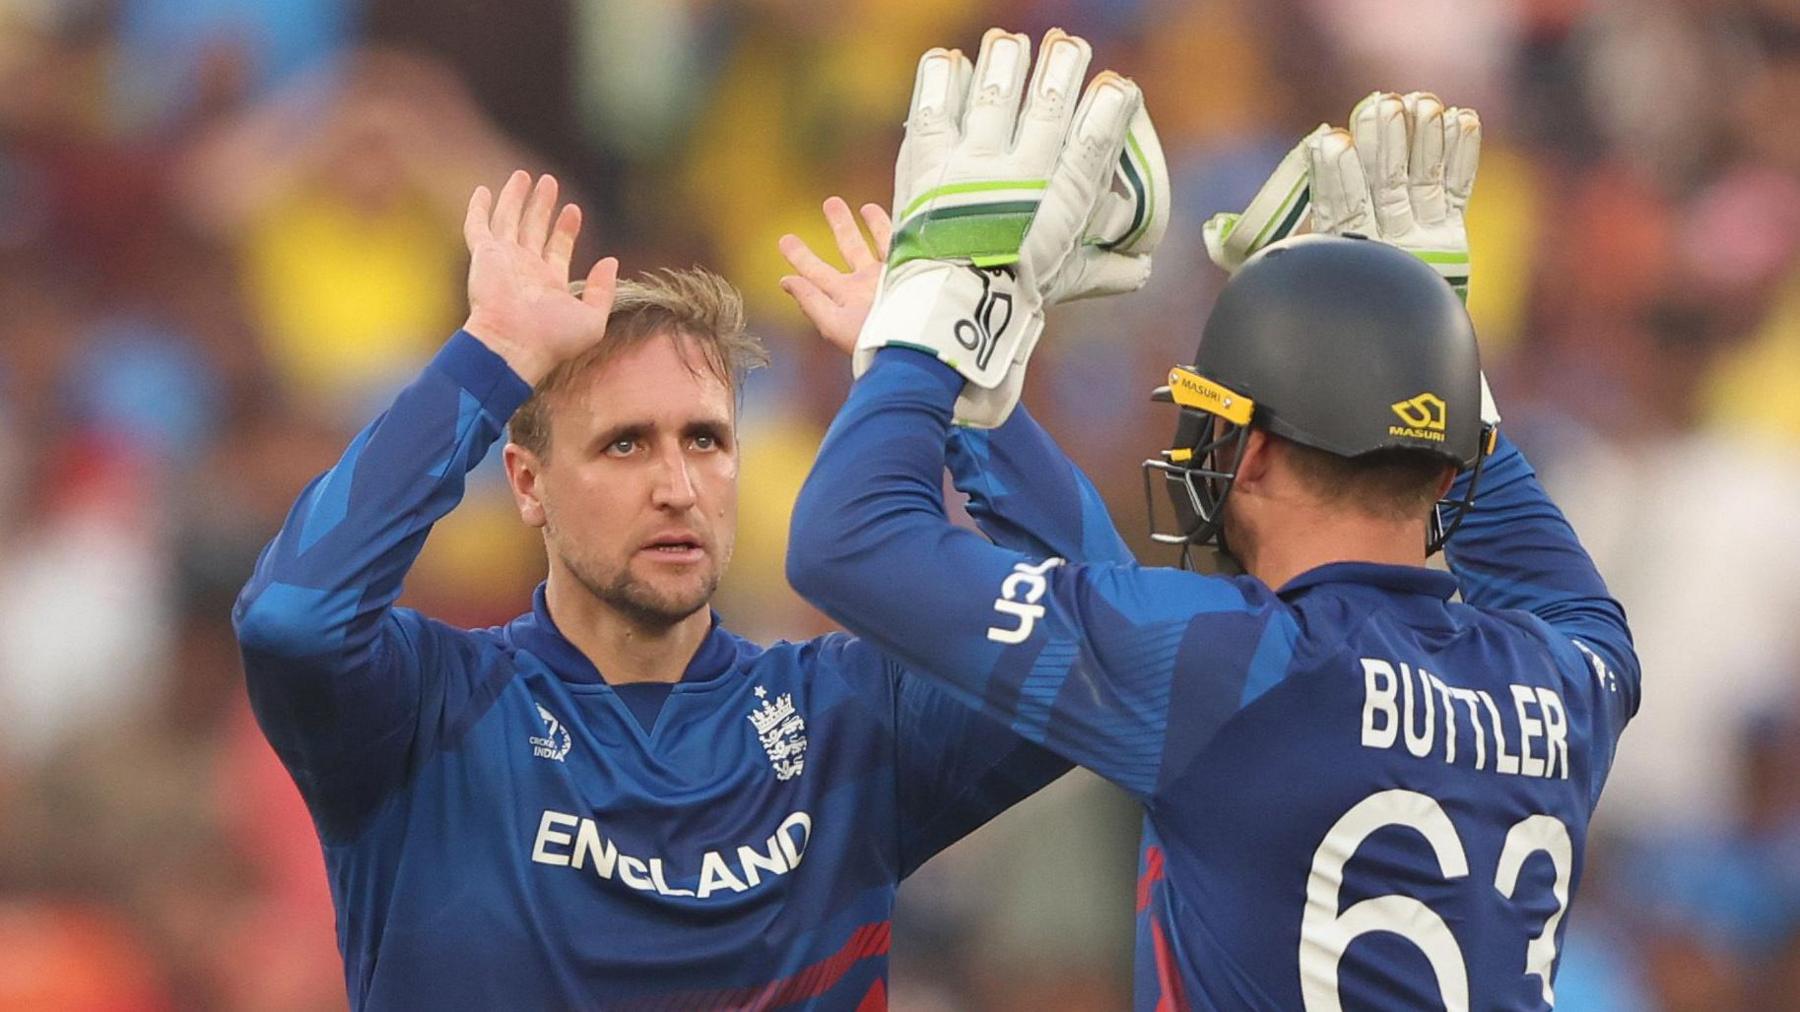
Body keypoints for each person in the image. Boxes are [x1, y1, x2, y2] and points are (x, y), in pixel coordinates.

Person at [787, 33, 1639, 1010]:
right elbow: (1532, 552)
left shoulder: (1225, 662)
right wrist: (1416, 339)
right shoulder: (1572, 679)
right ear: (1452, 454)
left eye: (1216, 426)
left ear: (1261, 453)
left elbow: (844, 540)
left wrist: (935, 319)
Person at [230, 151, 1157, 1006]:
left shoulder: (848, 724)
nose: (676, 487)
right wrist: (492, 355)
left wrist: (952, 379)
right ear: (527, 482)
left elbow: (1107, 644)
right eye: (625, 444)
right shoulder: (427, 716)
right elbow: (293, 618)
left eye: (705, 440)